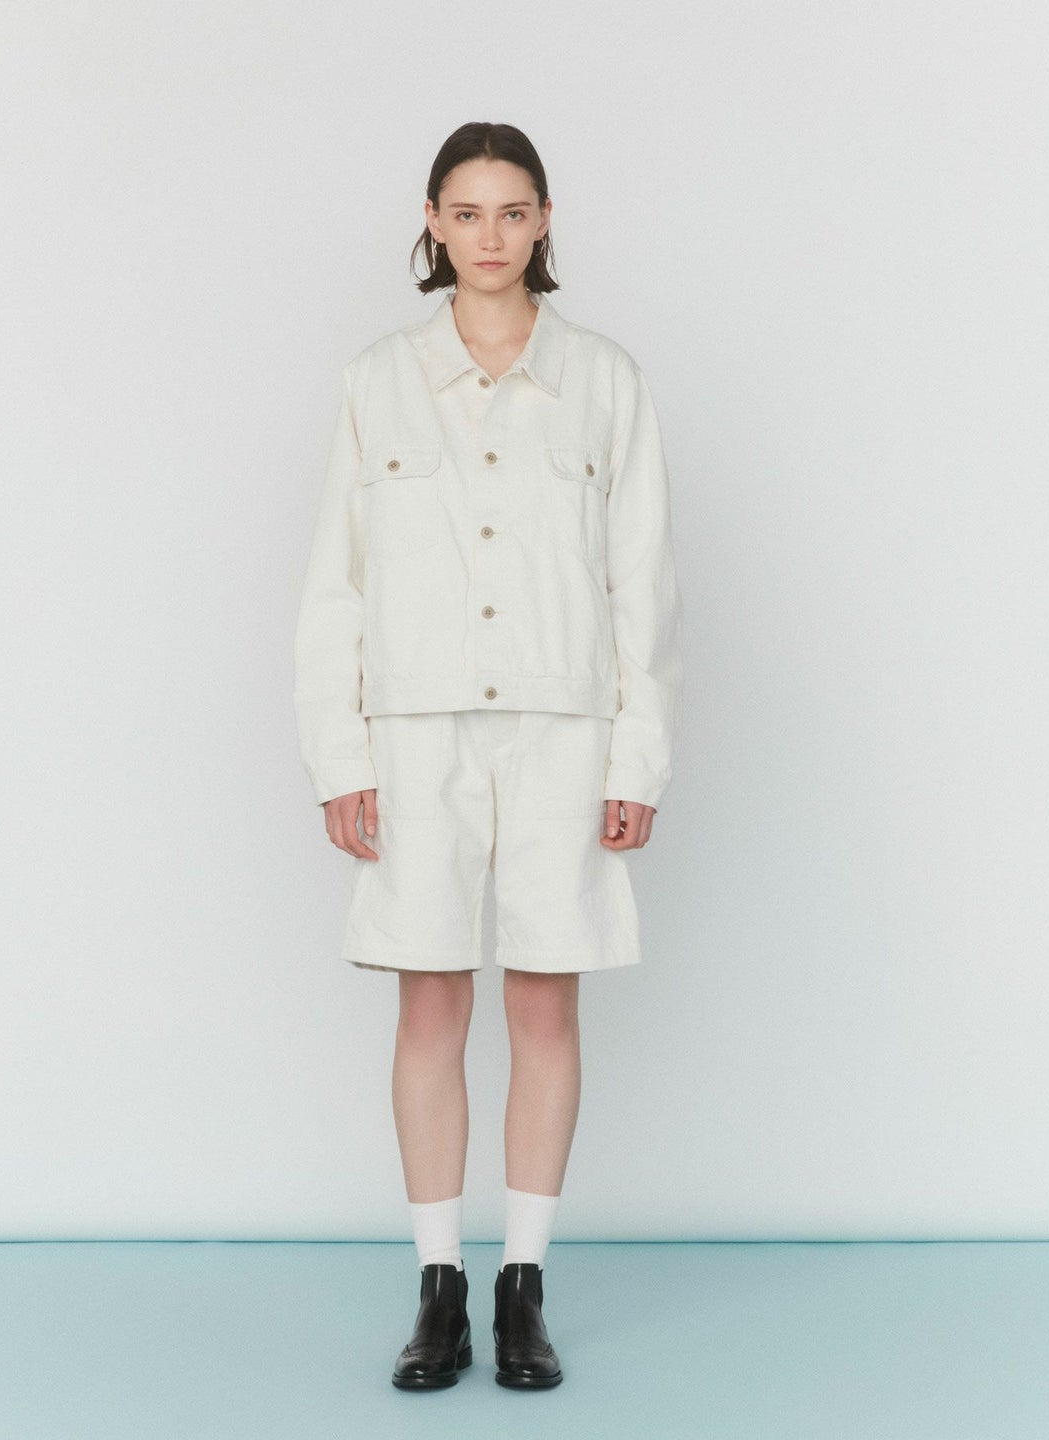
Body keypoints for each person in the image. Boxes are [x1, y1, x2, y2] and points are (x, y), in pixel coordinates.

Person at [293, 121, 685, 1391]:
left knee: (544, 1001)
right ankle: (438, 1290)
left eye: (513, 212)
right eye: (466, 213)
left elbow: (644, 585)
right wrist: (338, 755)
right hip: (415, 732)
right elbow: (337, 586)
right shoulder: (378, 381)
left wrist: (637, 762)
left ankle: (523, 1285)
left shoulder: (605, 380)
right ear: (433, 222)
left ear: (545, 220)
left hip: (565, 727)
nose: (491, 236)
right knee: (429, 1000)